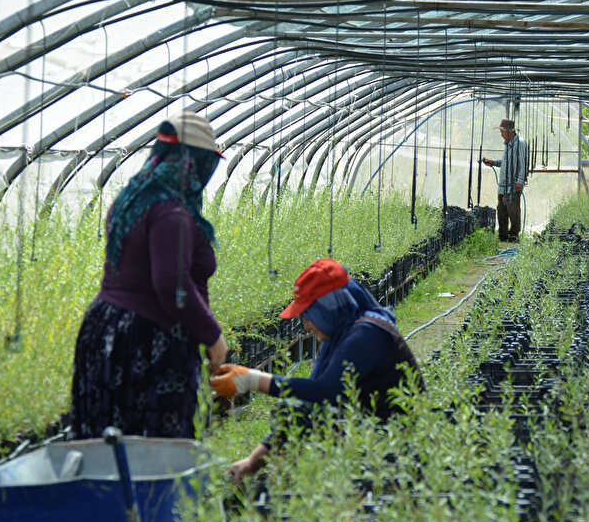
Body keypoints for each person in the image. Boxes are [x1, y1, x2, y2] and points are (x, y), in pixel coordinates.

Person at [70, 111, 227, 440]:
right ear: (192, 162)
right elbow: (173, 286)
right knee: (153, 448)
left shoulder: (131, 200)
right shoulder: (172, 213)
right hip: (147, 342)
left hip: (106, 333)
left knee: (109, 443)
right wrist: (212, 335)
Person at [211, 258, 422, 482]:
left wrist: (250, 380)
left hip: (392, 438)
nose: (306, 325)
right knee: (295, 408)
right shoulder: (340, 334)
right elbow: (306, 402)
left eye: (309, 315)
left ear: (329, 306)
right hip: (364, 429)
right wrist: (253, 461)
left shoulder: (368, 333)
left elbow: (325, 391)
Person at [481, 118, 529, 243]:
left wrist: (520, 181)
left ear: (509, 132)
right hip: (503, 186)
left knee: (513, 210)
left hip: (513, 185)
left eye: (502, 132)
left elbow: (523, 164)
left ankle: (513, 235)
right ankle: (503, 236)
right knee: (501, 211)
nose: (501, 135)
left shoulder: (520, 144)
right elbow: (506, 163)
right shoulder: (508, 145)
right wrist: (493, 162)